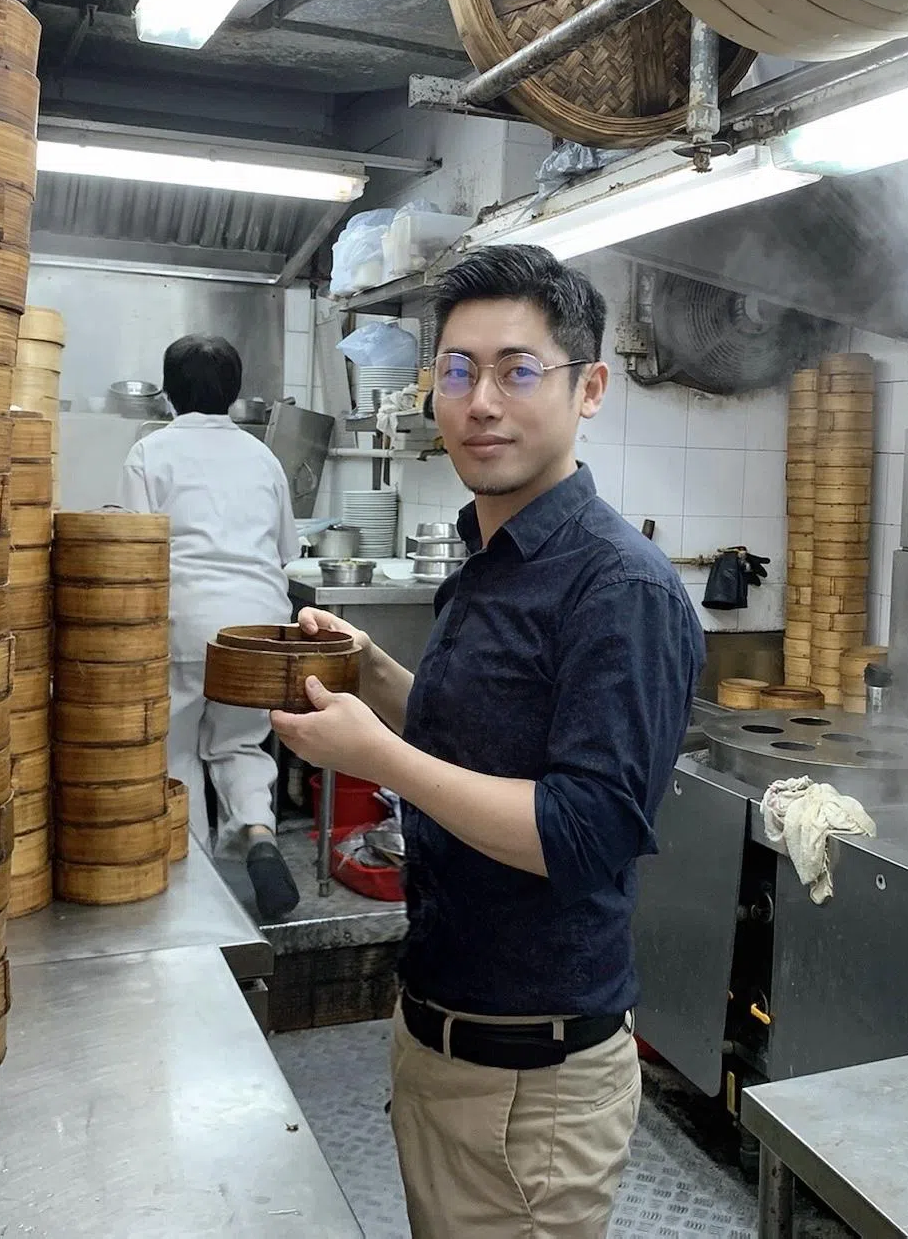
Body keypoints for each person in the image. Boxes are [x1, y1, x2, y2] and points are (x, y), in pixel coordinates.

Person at [272, 246, 704, 1237]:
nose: (481, 402)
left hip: (531, 1087)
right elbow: (484, 737)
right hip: (445, 1036)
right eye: (458, 371)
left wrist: (376, 757)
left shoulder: (616, 589)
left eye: (518, 369)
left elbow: (583, 829)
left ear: (589, 388)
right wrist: (372, 671)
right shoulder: (492, 552)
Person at [120, 334, 301, 921]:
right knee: (238, 740)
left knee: (174, 748)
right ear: (234, 393)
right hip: (260, 626)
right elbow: (286, 549)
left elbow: (133, 550)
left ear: (168, 391)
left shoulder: (150, 451)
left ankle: (189, 882)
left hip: (183, 621)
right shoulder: (263, 456)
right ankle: (259, 834)